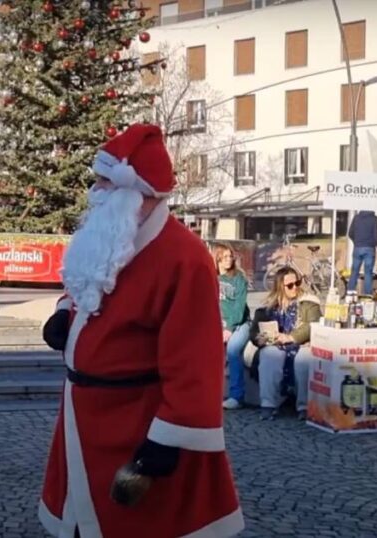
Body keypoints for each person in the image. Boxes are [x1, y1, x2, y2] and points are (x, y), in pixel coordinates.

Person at [38, 124, 242, 537]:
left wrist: (165, 443)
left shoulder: (184, 258)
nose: (94, 192)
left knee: (138, 525)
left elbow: (196, 363)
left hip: (135, 420)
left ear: (137, 192)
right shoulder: (114, 235)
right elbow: (86, 279)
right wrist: (65, 312)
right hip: (85, 415)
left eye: (103, 183)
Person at [250, 266, 320, 421]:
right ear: (280, 287)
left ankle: (304, 406)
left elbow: (312, 324)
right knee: (269, 355)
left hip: (301, 344)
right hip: (275, 345)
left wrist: (291, 337)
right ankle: (268, 405)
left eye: (297, 283)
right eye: (289, 285)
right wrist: (261, 339)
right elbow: (254, 332)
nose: (295, 287)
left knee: (304, 359)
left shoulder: (309, 303)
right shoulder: (267, 308)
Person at [217, 244, 251, 410]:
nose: (229, 260)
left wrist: (229, 328)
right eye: (225, 257)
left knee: (232, 349)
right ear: (217, 259)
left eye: (230, 256)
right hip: (218, 324)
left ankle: (237, 396)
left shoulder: (239, 279)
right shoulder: (211, 277)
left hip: (239, 324)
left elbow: (239, 308)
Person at [347, 210, 377, 295]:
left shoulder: (356, 218)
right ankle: (368, 294)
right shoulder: (374, 219)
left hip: (358, 247)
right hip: (370, 248)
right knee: (368, 272)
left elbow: (350, 233)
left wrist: (356, 242)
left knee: (354, 271)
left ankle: (350, 292)